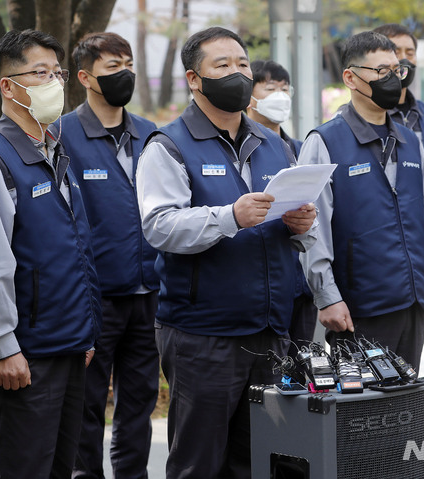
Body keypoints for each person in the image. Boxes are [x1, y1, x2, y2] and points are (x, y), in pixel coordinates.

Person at [136, 26, 318, 478]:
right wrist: (229, 217)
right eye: (222, 65)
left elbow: (289, 228)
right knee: (199, 462)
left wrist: (300, 227)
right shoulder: (169, 146)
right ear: (194, 79)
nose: (237, 73)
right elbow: (159, 227)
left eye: (242, 64)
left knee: (259, 461)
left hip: (271, 331)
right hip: (204, 335)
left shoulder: (274, 143)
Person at [0, 29, 102, 478]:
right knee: (21, 468)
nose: (54, 83)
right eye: (39, 73)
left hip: (67, 344)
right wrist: (2, 347)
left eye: (56, 73)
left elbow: (74, 250)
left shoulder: (54, 150)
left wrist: (85, 332)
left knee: (61, 467)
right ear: (7, 86)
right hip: (24, 353)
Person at [299, 31, 424, 373]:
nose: (392, 79)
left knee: (406, 413)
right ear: (350, 77)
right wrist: (327, 296)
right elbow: (311, 228)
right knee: (362, 420)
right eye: (381, 71)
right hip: (358, 308)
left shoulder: (409, 140)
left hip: (411, 303)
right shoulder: (325, 141)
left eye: (397, 70)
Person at [59, 32, 159, 479]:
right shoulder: (62, 135)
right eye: (112, 67)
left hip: (151, 294)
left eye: (128, 64)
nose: (125, 74)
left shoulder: (151, 135)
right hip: (95, 298)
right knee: (87, 404)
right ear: (84, 76)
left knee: (140, 403)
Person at [373, 23, 424, 285]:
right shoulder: (365, 117)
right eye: (395, 50)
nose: (404, 58)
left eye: (410, 51)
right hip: (380, 257)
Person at [247, 59, 317, 352]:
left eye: (285, 88)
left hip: (303, 283)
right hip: (262, 285)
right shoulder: (244, 151)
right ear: (249, 95)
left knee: (304, 371)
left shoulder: (301, 149)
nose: (280, 95)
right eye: (271, 87)